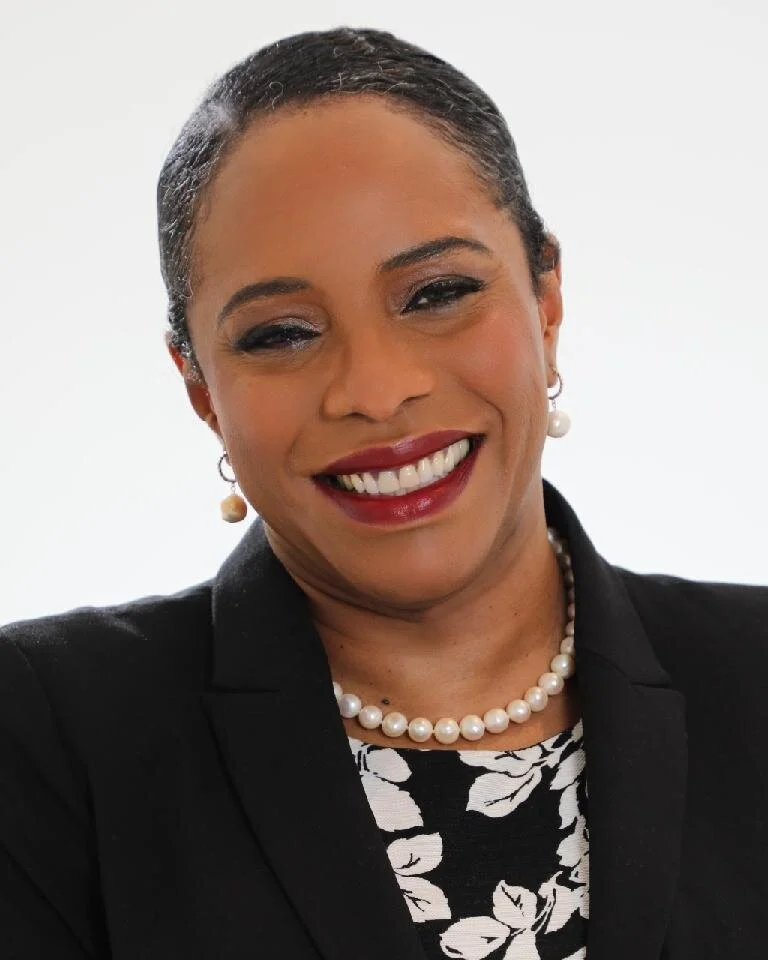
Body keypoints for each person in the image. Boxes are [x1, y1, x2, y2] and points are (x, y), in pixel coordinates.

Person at [0, 25, 765, 960]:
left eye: (436, 292)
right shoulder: (44, 736)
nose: (375, 389)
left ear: (546, 303)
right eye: (281, 334)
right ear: (201, 390)